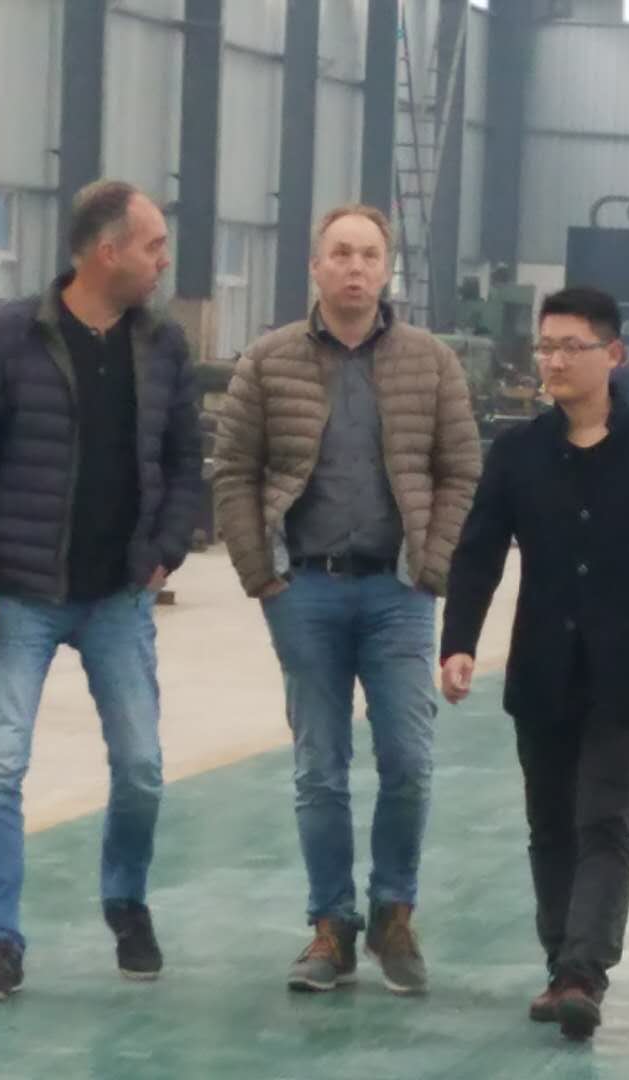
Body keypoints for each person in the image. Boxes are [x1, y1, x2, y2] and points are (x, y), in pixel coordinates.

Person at [0, 179, 202, 1003]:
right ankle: (0, 940)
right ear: (106, 252)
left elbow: (188, 461)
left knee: (142, 767)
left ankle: (125, 901)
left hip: (119, 594)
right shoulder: (12, 334)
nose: (164, 261)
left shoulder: (162, 343)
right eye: (154, 246)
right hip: (21, 593)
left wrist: (166, 549)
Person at [212, 203, 481, 997]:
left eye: (368, 254)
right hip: (305, 591)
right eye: (340, 254)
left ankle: (394, 913)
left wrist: (431, 566)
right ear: (316, 268)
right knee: (320, 770)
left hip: (398, 593)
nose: (355, 267)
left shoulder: (432, 362)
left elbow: (461, 469)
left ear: (386, 269)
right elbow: (233, 471)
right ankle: (331, 926)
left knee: (409, 762)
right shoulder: (268, 362)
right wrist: (260, 574)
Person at [439, 286, 629, 1041]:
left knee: (604, 821)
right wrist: (459, 641)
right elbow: (479, 551)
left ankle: (583, 973)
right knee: (550, 827)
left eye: (571, 347)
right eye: (546, 347)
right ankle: (560, 962)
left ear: (612, 354)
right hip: (543, 672)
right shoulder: (519, 452)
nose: (554, 361)